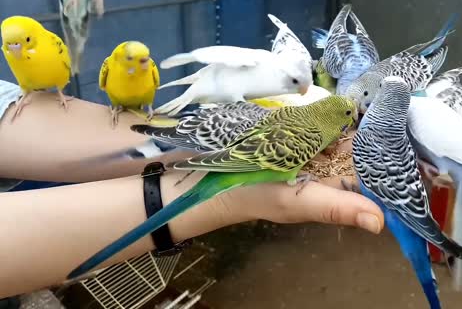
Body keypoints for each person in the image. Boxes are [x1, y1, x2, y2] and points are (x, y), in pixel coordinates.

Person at [0, 80, 383, 298]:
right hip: (240, 170)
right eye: (349, 119)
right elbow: (264, 161)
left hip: (229, 154)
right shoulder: (309, 135)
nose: (350, 125)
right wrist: (296, 178)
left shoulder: (300, 119)